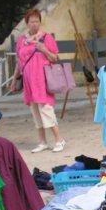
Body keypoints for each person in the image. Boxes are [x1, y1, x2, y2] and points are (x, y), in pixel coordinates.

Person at [10, 8, 66, 153]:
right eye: (31, 21)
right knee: (35, 112)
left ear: (40, 22)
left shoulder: (46, 38)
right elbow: (19, 61)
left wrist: (44, 50)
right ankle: (42, 141)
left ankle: (59, 139)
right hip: (29, 82)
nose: (34, 24)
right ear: (27, 23)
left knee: (46, 110)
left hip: (42, 80)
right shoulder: (22, 41)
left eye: (37, 21)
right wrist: (14, 79)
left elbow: (55, 58)